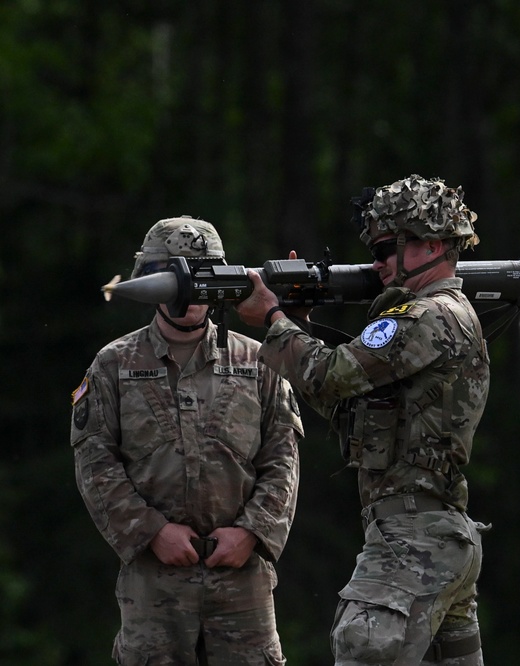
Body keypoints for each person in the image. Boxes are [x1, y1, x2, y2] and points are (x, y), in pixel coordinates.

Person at [236, 174, 490, 665]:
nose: (375, 263)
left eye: (385, 248)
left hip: (412, 543)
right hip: (441, 539)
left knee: (362, 649)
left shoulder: (425, 317)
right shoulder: (452, 314)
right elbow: (349, 404)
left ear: (430, 245)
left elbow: (330, 375)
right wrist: (298, 324)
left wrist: (274, 320)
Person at [71, 216, 303, 665]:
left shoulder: (258, 361)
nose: (194, 292)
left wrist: (251, 533)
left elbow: (284, 455)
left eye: (206, 276)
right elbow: (95, 463)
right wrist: (151, 532)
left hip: (241, 579)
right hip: (153, 583)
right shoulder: (113, 365)